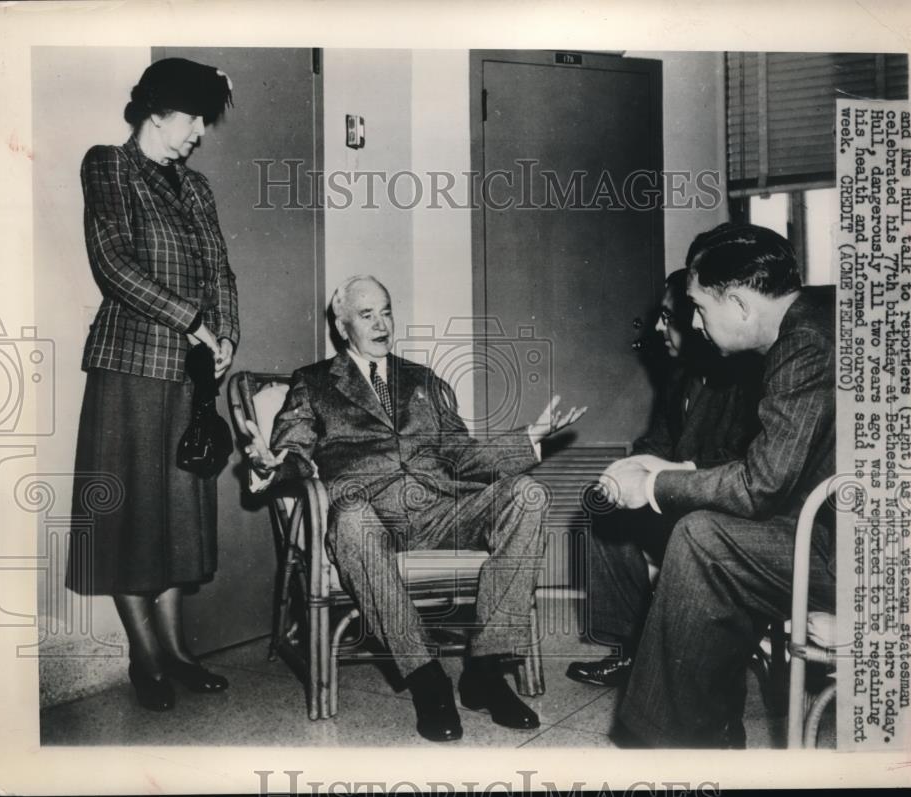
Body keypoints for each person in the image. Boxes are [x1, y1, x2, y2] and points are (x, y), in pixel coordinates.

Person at [244, 275, 585, 743]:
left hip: (440, 510)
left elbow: (462, 456)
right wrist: (272, 465)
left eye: (386, 311)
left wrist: (528, 438)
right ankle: (427, 679)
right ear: (343, 328)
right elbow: (294, 452)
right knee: (351, 517)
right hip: (366, 516)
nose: (382, 323)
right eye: (367, 315)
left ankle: (484, 671)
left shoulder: (425, 381)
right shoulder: (315, 383)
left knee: (528, 495)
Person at [603, 223, 836, 747]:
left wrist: (655, 485)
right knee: (706, 535)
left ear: (739, 304)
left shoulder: (804, 347)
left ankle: (674, 741)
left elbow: (760, 483)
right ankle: (696, 732)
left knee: (703, 539)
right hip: (834, 530)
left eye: (700, 308)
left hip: (857, 557)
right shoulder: (816, 321)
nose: (695, 324)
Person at [65, 58, 239, 713]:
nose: (200, 131)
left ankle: (177, 649)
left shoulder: (197, 190)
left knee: (176, 519)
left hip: (188, 376)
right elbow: (113, 263)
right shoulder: (108, 164)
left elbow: (222, 271)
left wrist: (225, 336)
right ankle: (145, 655)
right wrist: (195, 322)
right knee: (132, 519)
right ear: (159, 108)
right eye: (195, 117)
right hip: (131, 366)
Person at [566, 268, 761, 688]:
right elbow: (656, 441)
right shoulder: (680, 375)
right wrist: (622, 474)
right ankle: (631, 649)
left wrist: (664, 475)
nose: (657, 326)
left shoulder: (748, 376)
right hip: (677, 497)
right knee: (601, 510)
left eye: (667, 317)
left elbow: (745, 466)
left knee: (690, 530)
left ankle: (716, 649)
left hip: (726, 507)